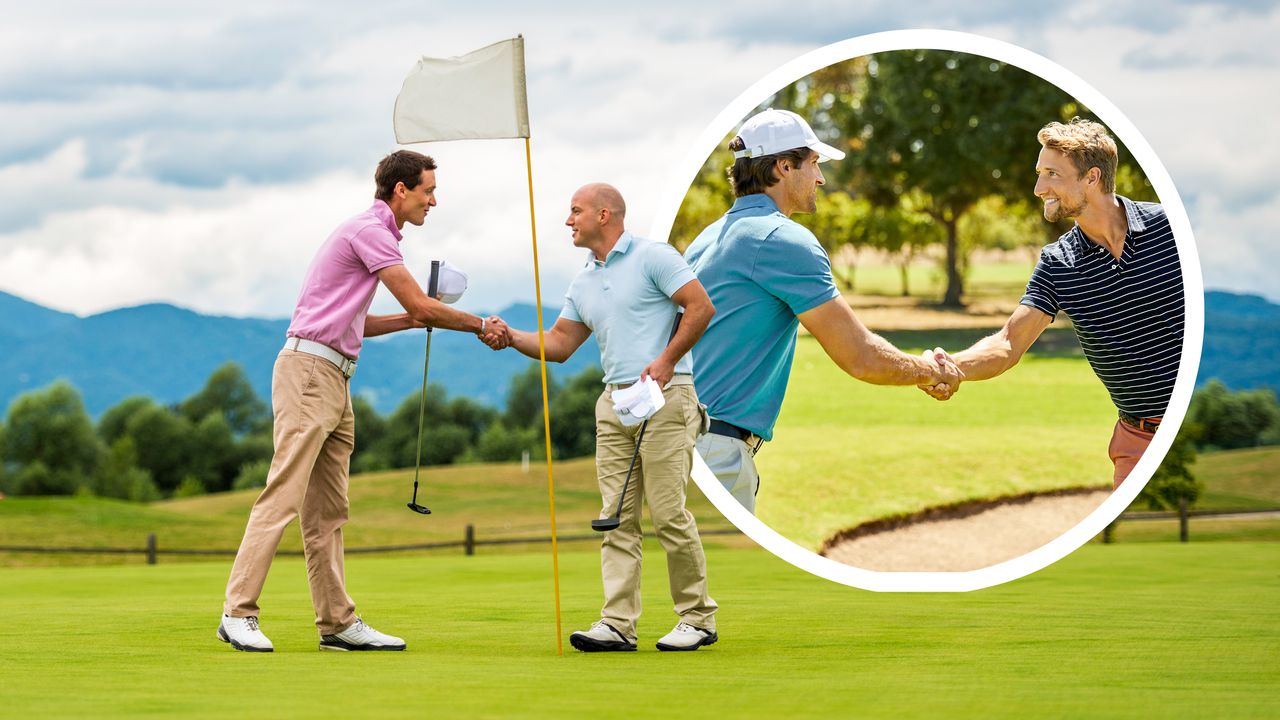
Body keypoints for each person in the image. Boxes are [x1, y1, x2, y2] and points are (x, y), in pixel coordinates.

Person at [218, 150, 511, 652]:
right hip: (310, 373)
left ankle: (337, 623)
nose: (433, 201)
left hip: (334, 376)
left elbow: (366, 322)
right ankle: (237, 613)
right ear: (401, 190)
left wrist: (411, 320)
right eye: (428, 191)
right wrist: (481, 324)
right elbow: (419, 302)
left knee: (329, 511)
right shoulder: (369, 232)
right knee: (283, 495)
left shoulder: (375, 236)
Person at [684, 109, 963, 514]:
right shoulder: (782, 239)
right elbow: (861, 357)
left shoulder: (706, 238)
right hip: (715, 448)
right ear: (783, 166)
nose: (821, 178)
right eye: (814, 163)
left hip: (682, 440)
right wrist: (929, 371)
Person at [501, 182, 720, 652]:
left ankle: (697, 618)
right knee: (615, 517)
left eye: (574, 211)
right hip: (614, 403)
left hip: (666, 394)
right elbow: (559, 345)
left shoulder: (654, 256)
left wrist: (665, 361)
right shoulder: (582, 281)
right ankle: (618, 623)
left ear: (604, 215)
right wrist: (509, 335)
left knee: (667, 513)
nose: (568, 221)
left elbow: (701, 308)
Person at [920, 118, 1184, 488]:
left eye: (1052, 174)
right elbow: (1008, 343)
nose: (1038, 187)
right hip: (1139, 442)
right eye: (1039, 173)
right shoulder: (1058, 261)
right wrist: (952, 366)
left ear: (1091, 178)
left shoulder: (1171, 228)